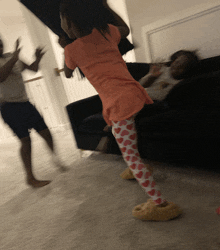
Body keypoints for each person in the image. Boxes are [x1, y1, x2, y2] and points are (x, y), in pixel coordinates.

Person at [59, 0, 182, 221]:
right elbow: (125, 29)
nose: (61, 24)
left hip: (119, 103)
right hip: (133, 94)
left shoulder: (71, 50)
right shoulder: (108, 32)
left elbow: (67, 73)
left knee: (130, 155)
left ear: (70, 22)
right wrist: (106, 8)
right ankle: (136, 165)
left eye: (62, 20)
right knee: (119, 132)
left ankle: (159, 204)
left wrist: (65, 46)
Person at [121, 49, 200, 179]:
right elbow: (141, 85)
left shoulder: (181, 82)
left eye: (182, 67)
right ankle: (120, 122)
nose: (176, 67)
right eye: (176, 62)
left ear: (187, 71)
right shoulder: (162, 70)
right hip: (141, 97)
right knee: (131, 100)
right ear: (173, 60)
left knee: (144, 107)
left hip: (156, 104)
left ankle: (121, 123)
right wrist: (152, 76)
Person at [0, 37, 67, 188]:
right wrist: (15, 57)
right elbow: (1, 77)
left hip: (25, 104)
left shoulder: (12, 56)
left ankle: (55, 158)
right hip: (9, 107)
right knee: (26, 141)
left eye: (0, 43)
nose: (0, 46)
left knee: (46, 133)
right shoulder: (12, 57)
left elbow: (33, 69)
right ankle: (30, 178)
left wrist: (37, 58)